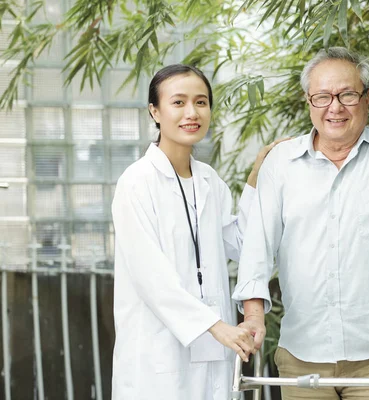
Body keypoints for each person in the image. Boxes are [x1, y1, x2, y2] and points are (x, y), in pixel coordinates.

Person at [232, 47, 369, 399]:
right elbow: (257, 247)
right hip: (301, 353)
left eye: (347, 94)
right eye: (323, 96)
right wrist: (253, 317)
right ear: (308, 100)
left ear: (367, 97)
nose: (335, 107)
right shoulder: (281, 162)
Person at [111, 64, 285, 399]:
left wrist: (256, 177)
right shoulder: (136, 183)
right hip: (158, 356)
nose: (192, 112)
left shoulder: (209, 180)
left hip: (211, 351)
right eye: (178, 102)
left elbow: (240, 243)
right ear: (155, 111)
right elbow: (152, 279)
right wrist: (218, 327)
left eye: (201, 102)